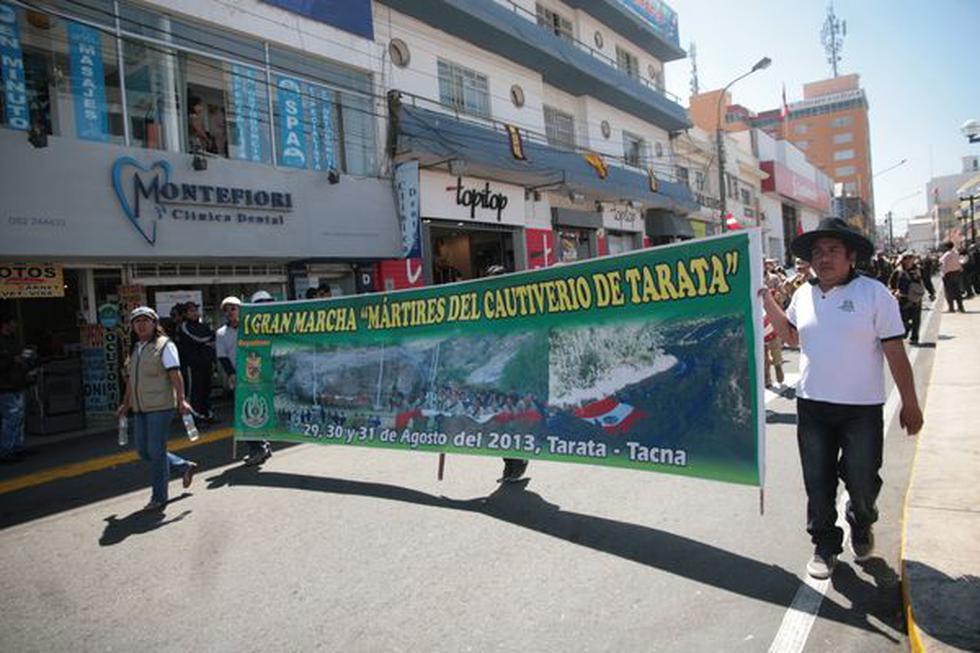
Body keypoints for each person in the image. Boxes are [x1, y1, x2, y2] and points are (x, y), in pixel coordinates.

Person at [760, 217, 923, 580]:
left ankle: (861, 521)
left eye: (833, 250)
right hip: (812, 405)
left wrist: (910, 403)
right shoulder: (803, 293)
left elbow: (895, 351)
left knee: (862, 479)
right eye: (818, 252)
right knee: (817, 480)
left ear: (851, 256)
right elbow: (791, 337)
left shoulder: (874, 294)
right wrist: (766, 298)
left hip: (861, 409)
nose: (824, 258)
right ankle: (825, 544)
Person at [116, 307, 198, 511]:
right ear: (133, 326)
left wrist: (182, 400)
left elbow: (175, 375)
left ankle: (159, 497)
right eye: (137, 321)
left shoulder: (164, 345)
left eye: (146, 320)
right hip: (140, 407)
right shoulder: (136, 348)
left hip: (161, 406)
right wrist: (125, 404)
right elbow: (131, 381)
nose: (141, 324)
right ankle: (183, 466)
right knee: (144, 451)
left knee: (156, 450)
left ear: (154, 323)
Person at [238, 290, 275, 466]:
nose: (266, 307)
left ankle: (263, 445)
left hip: (276, 372)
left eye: (268, 303)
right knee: (251, 412)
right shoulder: (247, 326)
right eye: (262, 304)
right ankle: (256, 448)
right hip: (253, 374)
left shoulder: (279, 323)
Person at [0, 313, 37, 463]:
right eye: (13, 322)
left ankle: (16, 447)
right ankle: (6, 450)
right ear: (5, 324)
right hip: (6, 386)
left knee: (18, 418)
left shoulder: (12, 341)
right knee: (11, 419)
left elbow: (21, 358)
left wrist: (26, 359)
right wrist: (12, 359)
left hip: (17, 384)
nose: (15, 325)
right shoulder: (3, 343)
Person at [178, 301, 216, 421]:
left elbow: (212, 337)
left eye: (196, 310)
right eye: (191, 311)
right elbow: (198, 339)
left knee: (207, 388)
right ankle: (196, 415)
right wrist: (207, 340)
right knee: (195, 390)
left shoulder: (203, 326)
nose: (195, 313)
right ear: (185, 314)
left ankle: (207, 413)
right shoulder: (184, 326)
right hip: (193, 364)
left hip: (206, 363)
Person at [889, 253, 926, 344]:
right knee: (903, 319)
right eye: (906, 258)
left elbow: (926, 281)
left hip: (915, 298)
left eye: (911, 258)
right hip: (902, 298)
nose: (909, 260)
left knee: (916, 319)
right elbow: (891, 284)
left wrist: (931, 292)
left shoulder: (918, 270)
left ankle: (914, 338)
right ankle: (906, 328)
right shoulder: (898, 271)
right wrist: (894, 292)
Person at [938, 241, 965, 313]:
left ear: (946, 247)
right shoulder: (956, 253)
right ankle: (961, 307)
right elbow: (959, 263)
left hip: (948, 274)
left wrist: (943, 274)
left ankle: (951, 308)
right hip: (956, 273)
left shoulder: (947, 254)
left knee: (949, 292)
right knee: (957, 291)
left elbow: (943, 264)